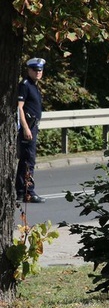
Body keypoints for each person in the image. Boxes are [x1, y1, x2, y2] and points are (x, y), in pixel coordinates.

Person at [15, 57, 47, 203]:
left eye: (40, 70)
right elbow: (19, 107)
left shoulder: (34, 85)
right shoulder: (25, 84)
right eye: (35, 70)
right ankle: (29, 191)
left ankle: (22, 192)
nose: (38, 72)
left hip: (33, 125)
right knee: (29, 160)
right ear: (29, 70)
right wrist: (26, 128)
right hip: (27, 126)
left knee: (25, 160)